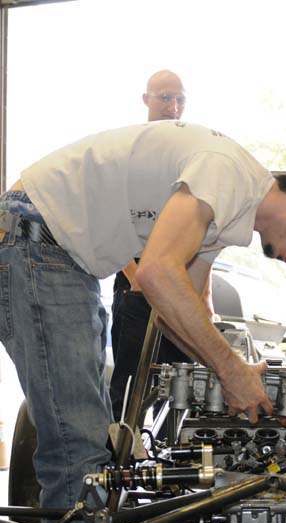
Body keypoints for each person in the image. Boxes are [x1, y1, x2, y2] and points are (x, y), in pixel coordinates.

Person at [0, 120, 286, 523]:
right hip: (41, 244)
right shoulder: (229, 172)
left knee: (95, 446)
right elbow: (157, 276)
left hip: (61, 256)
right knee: (76, 450)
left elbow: (181, 306)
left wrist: (231, 372)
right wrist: (231, 372)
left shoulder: (225, 215)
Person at [110, 69, 195, 421]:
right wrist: (135, 277)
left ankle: (176, 466)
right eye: (165, 97)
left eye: (179, 99)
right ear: (146, 99)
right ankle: (119, 464)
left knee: (183, 390)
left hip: (177, 289)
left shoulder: (187, 154)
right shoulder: (127, 150)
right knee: (129, 391)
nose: (172, 106)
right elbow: (110, 218)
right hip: (137, 289)